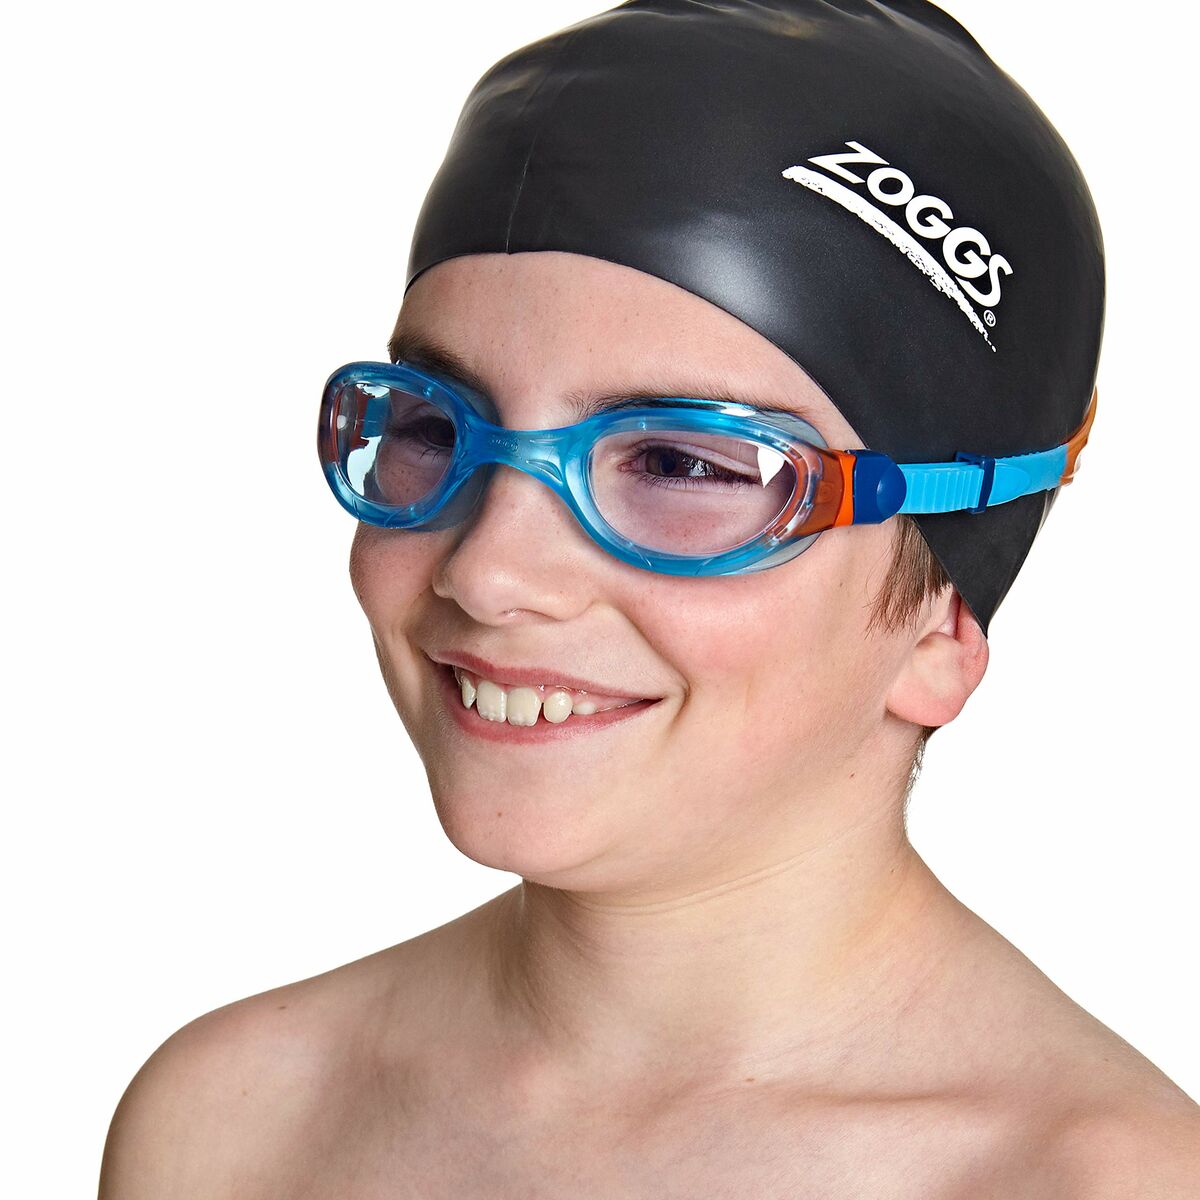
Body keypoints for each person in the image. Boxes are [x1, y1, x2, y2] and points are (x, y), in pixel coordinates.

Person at [99, 1, 1200, 1195]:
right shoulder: (235, 1126)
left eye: (681, 464)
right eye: (432, 427)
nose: (489, 571)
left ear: (944, 622)